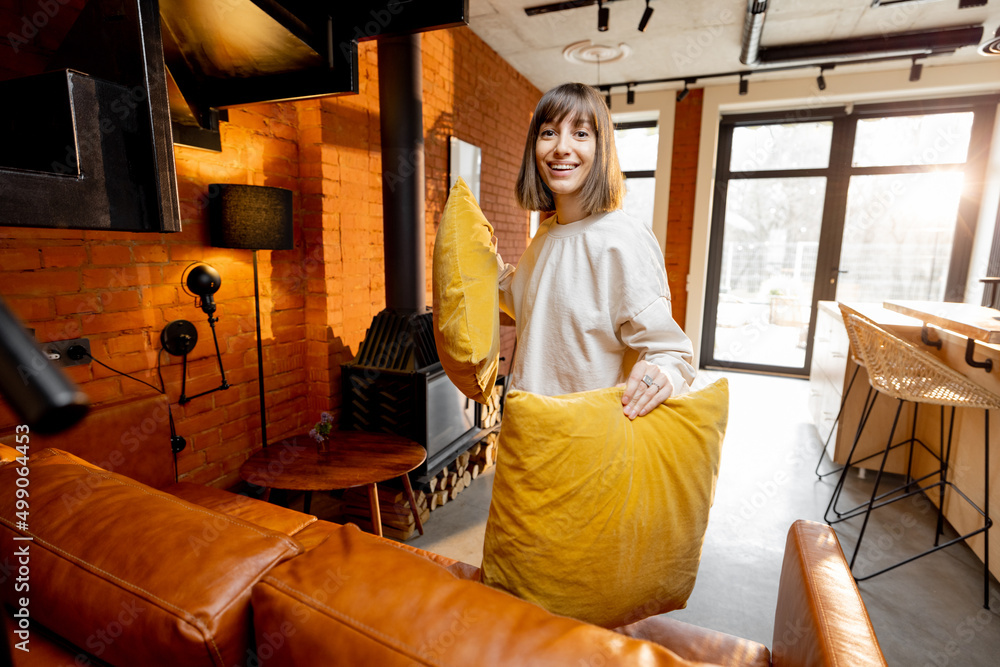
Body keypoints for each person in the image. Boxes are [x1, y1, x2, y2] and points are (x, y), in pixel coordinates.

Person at [497, 82, 695, 418]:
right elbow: (527, 303)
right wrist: (477, 261)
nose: (562, 147)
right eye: (548, 132)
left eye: (580, 133)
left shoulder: (623, 239)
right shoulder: (545, 235)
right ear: (534, 147)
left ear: (601, 148)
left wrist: (663, 374)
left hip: (589, 444)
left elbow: (670, 352)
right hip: (527, 435)